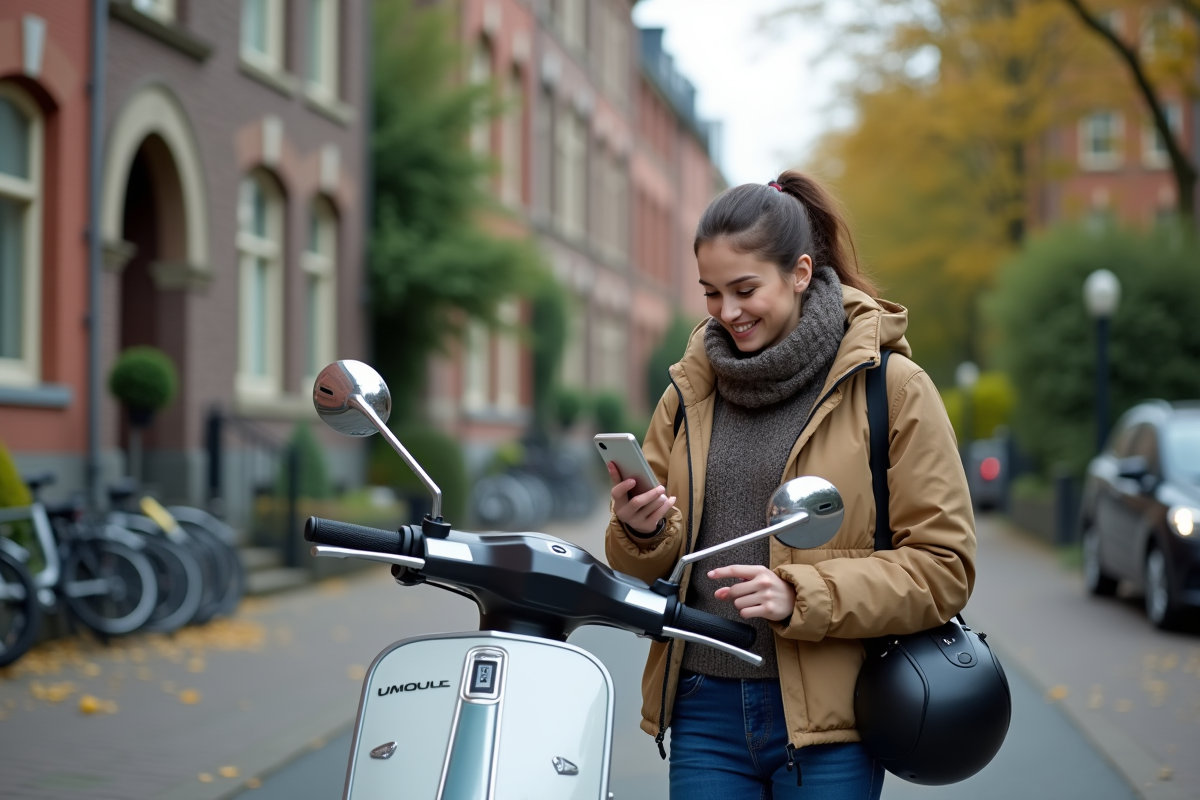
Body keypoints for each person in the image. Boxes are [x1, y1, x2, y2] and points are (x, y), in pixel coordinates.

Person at [604, 171, 975, 799]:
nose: (727, 313)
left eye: (745, 289)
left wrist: (800, 594)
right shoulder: (687, 393)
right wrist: (641, 531)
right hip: (702, 705)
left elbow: (944, 567)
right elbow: (655, 558)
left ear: (800, 273)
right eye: (711, 293)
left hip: (832, 722)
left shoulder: (892, 387)